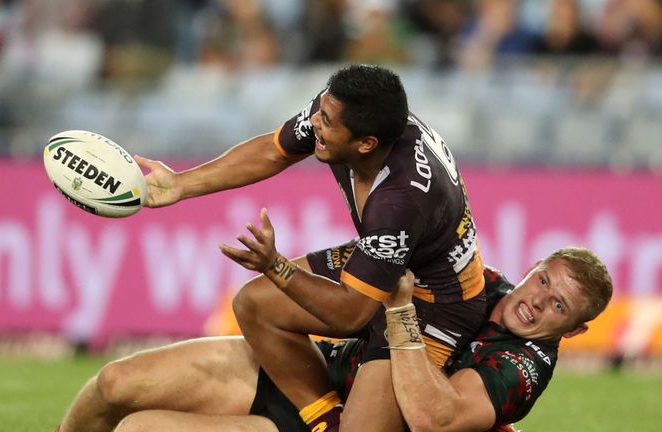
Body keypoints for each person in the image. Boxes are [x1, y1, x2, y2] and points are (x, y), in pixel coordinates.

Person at [126, 64, 487, 431]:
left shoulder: (400, 198)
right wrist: (181, 185)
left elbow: (350, 313)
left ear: (366, 144)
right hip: (395, 263)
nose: (314, 120)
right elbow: (273, 151)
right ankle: (326, 422)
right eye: (321, 109)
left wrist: (276, 266)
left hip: (435, 303)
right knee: (255, 304)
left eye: (327, 120)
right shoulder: (351, 114)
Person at [56, 246, 613, 432]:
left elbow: (432, 417)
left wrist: (401, 318)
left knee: (140, 430)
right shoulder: (479, 283)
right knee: (117, 381)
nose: (536, 299)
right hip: (317, 377)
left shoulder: (523, 365)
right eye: (542, 279)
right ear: (535, 265)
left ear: (576, 327)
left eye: (557, 304)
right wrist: (282, 266)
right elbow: (370, 269)